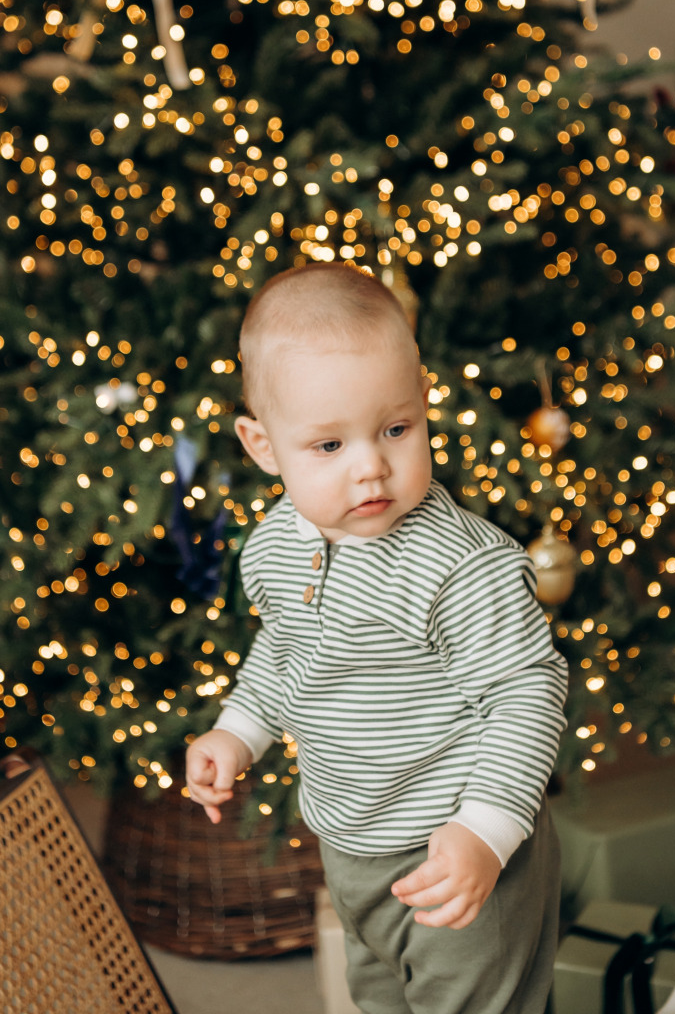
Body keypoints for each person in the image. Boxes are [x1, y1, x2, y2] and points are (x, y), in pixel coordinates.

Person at [186, 261, 568, 1014]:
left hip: (458, 846)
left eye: (396, 429)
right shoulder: (272, 546)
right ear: (263, 447)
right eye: (328, 446)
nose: (371, 467)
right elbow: (287, 649)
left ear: (423, 407)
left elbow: (528, 692)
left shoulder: (461, 565)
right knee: (381, 998)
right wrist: (238, 731)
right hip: (352, 844)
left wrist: (485, 831)